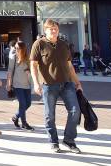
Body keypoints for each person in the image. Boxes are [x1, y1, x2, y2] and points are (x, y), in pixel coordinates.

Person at [30, 19, 83, 154]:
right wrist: (36, 83)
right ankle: (53, 141)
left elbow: (70, 66)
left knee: (75, 111)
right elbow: (33, 65)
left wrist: (77, 82)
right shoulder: (39, 44)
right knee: (50, 115)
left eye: (56, 29)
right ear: (45, 30)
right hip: (48, 85)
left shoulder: (64, 44)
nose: (54, 31)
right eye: (51, 29)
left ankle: (69, 140)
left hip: (67, 83)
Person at [7, 41, 34, 131]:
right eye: (15, 47)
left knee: (28, 103)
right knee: (22, 104)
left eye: (18, 48)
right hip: (17, 84)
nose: (16, 49)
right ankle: (24, 123)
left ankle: (15, 117)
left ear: (23, 49)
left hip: (27, 84)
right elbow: (10, 71)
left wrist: (29, 72)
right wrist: (9, 84)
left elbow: (33, 70)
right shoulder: (14, 57)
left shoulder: (28, 57)